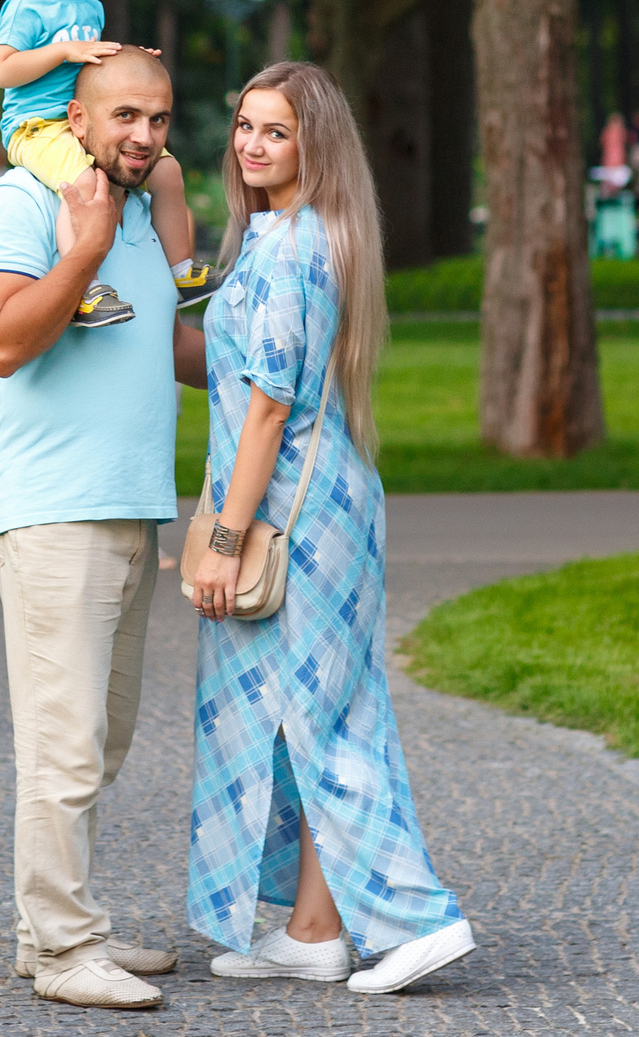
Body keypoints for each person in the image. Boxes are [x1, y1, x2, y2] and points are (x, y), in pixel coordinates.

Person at [184, 61, 473, 996]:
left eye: (276, 130)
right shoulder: (285, 237)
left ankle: (416, 919)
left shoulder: (298, 245)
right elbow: (226, 370)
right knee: (304, 720)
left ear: (315, 144)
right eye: (244, 125)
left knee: (327, 723)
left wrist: (224, 540)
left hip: (297, 520)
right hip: (324, 507)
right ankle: (314, 929)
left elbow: (269, 409)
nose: (252, 144)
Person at [0, 46, 209, 1010]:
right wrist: (84, 251)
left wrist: (279, 339)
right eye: (125, 118)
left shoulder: (139, 215)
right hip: (53, 509)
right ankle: (66, 953)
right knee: (62, 747)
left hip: (131, 505)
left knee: (100, 741)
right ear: (77, 118)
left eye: (159, 118)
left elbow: (171, 345)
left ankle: (49, 929)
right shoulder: (17, 205)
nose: (144, 136)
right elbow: (8, 340)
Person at [0, 0, 218, 329]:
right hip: (35, 125)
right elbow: (2, 69)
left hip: (83, 120)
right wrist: (62, 51)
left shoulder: (90, 6)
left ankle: (181, 273)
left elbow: (94, 69)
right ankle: (84, 289)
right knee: (83, 185)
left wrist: (130, 60)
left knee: (168, 169)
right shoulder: (26, 6)